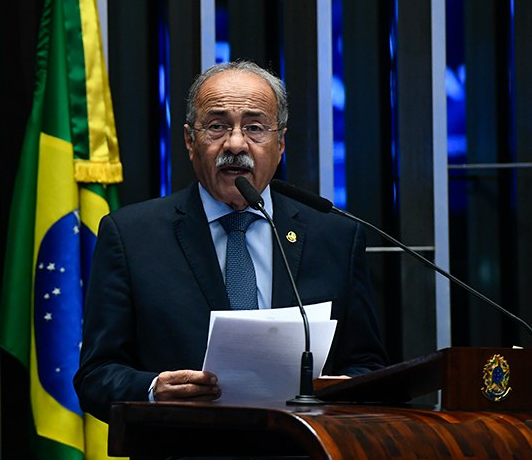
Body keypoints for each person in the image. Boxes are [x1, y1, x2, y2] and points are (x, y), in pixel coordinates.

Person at [74, 60, 387, 423]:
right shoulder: (131, 236)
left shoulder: (334, 236)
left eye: (255, 127)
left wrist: (342, 391)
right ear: (191, 141)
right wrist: (153, 389)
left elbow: (366, 364)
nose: (236, 143)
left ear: (280, 143)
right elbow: (95, 377)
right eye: (217, 126)